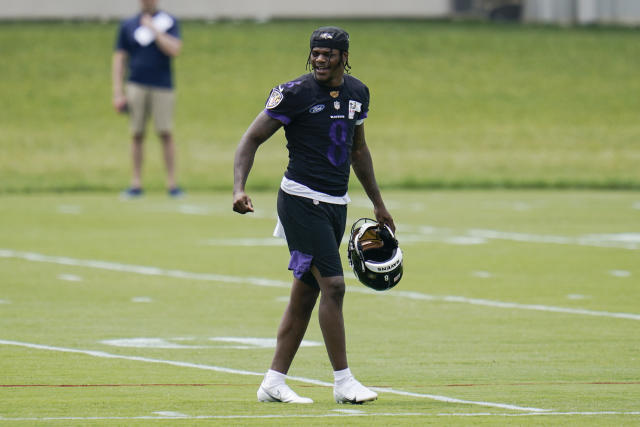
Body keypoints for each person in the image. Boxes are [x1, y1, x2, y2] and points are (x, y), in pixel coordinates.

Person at [233, 26, 396, 404]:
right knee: (334, 286)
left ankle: (273, 382)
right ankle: (343, 382)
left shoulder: (357, 92)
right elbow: (251, 139)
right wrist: (240, 187)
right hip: (301, 200)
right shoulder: (294, 93)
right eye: (315, 53)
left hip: (336, 203)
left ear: (344, 56)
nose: (320, 60)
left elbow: (358, 150)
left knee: (305, 295)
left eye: (328, 54)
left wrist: (378, 203)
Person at [112, 0, 183, 198]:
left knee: (165, 132)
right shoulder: (128, 25)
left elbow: (175, 49)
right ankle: (136, 183)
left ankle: (172, 184)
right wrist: (118, 91)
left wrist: (154, 30)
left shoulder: (168, 22)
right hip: (135, 84)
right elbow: (120, 58)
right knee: (137, 133)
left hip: (163, 85)